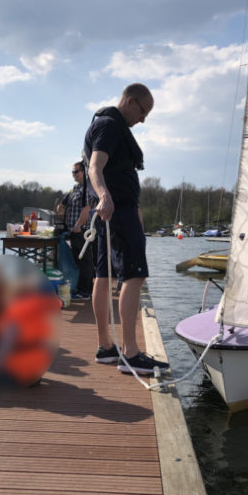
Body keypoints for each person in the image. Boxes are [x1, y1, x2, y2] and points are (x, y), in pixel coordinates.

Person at [83, 83, 169, 375]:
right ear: (130, 101)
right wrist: (105, 196)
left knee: (103, 275)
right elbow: (95, 167)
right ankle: (130, 353)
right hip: (116, 211)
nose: (143, 119)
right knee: (133, 275)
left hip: (114, 212)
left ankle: (106, 347)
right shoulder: (109, 125)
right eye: (143, 111)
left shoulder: (108, 125)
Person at [56, 161, 96, 298]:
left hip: (82, 230)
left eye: (76, 171)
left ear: (84, 172)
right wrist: (62, 210)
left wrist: (78, 225)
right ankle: (79, 288)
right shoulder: (75, 188)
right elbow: (62, 205)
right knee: (77, 260)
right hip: (73, 230)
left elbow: (87, 208)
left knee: (85, 260)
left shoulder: (87, 188)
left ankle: (86, 291)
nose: (73, 174)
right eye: (72, 172)